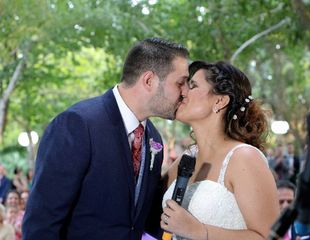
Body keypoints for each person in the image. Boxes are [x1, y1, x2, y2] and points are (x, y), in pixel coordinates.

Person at [22, 38, 189, 240]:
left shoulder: (154, 139)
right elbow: (41, 223)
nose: (186, 91)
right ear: (148, 81)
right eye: (180, 82)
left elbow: (138, 220)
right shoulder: (78, 124)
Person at [161, 60, 280, 239]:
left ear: (220, 100)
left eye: (192, 86)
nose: (183, 92)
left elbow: (269, 236)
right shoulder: (187, 157)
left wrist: (199, 231)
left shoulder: (244, 158)